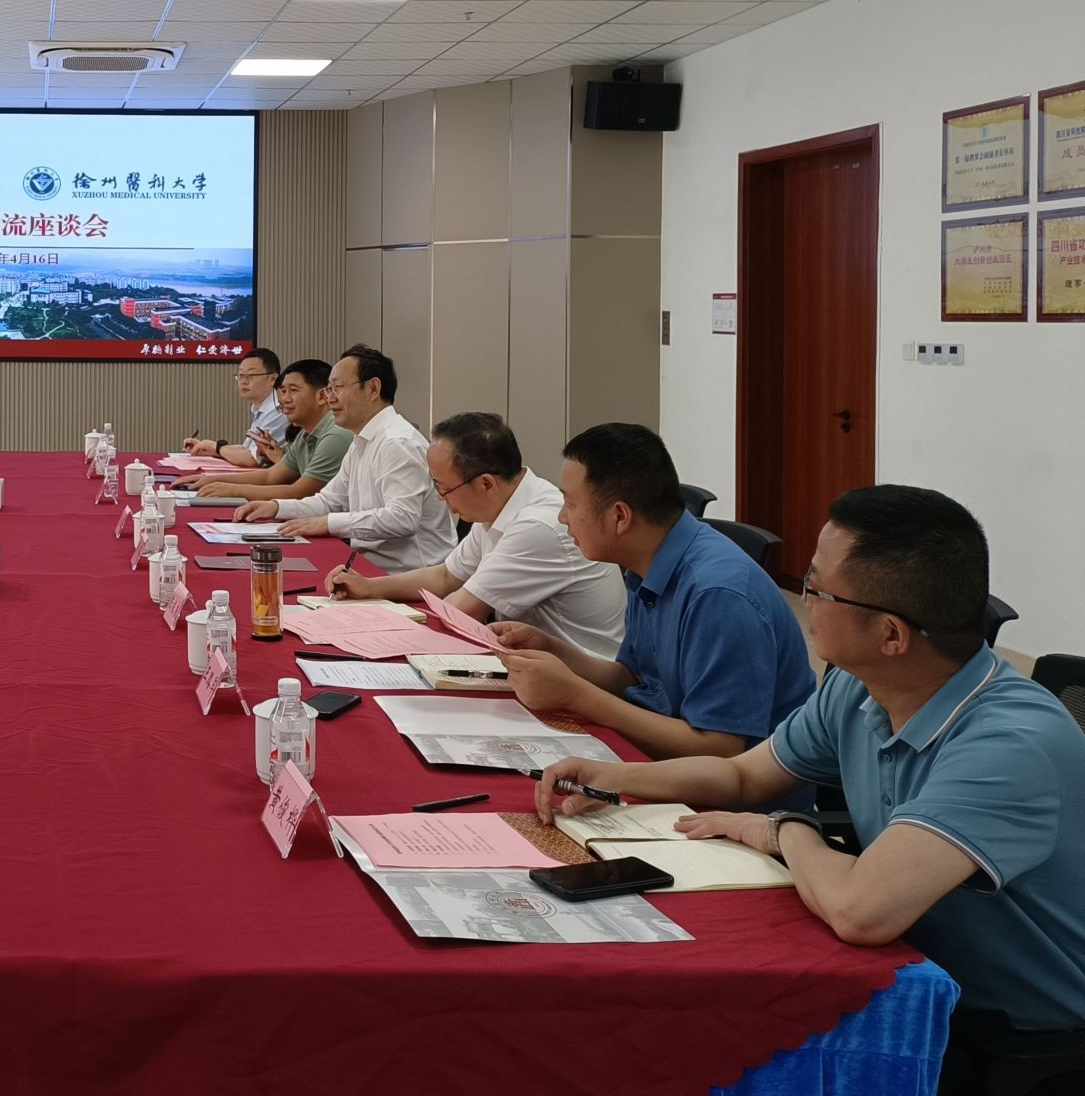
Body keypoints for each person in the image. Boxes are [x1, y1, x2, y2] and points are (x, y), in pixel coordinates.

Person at [534, 486, 1085, 1084]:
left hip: (1025, 1040)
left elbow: (860, 912)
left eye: (818, 589)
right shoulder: (859, 685)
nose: (803, 600)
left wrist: (786, 832)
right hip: (918, 974)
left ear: (891, 635)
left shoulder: (1008, 746)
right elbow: (743, 775)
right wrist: (613, 776)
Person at [493, 422, 814, 760]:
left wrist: (577, 696)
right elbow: (635, 678)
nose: (562, 518)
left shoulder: (718, 594)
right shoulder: (646, 561)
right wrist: (554, 650)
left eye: (570, 504)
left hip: (730, 787)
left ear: (620, 516)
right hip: (665, 755)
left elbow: (718, 749)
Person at [327, 412, 624, 658]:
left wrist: (363, 625)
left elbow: (458, 611)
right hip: (537, 664)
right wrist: (370, 588)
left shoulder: (537, 526)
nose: (440, 497)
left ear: (485, 484)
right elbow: (446, 576)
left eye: (443, 487)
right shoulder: (501, 504)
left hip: (582, 677)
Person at [233, 344, 455, 573]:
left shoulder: (397, 442)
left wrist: (327, 523)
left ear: (373, 388)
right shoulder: (362, 440)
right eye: (329, 389)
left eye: (337, 388)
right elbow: (329, 501)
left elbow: (402, 519)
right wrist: (275, 507)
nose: (330, 398)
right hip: (371, 567)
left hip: (407, 575)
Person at [184, 359, 351, 502]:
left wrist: (231, 490)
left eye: (293, 390)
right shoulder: (305, 433)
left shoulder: (335, 435)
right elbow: (270, 476)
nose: (284, 399)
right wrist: (212, 480)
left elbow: (299, 492)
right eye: (283, 391)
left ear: (321, 396)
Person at [181, 348, 289, 469]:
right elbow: (246, 449)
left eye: (251, 375)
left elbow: (253, 459)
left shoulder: (278, 410)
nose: (243, 381)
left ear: (273, 379)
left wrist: (216, 447)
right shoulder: (262, 408)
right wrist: (207, 447)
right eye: (241, 375)